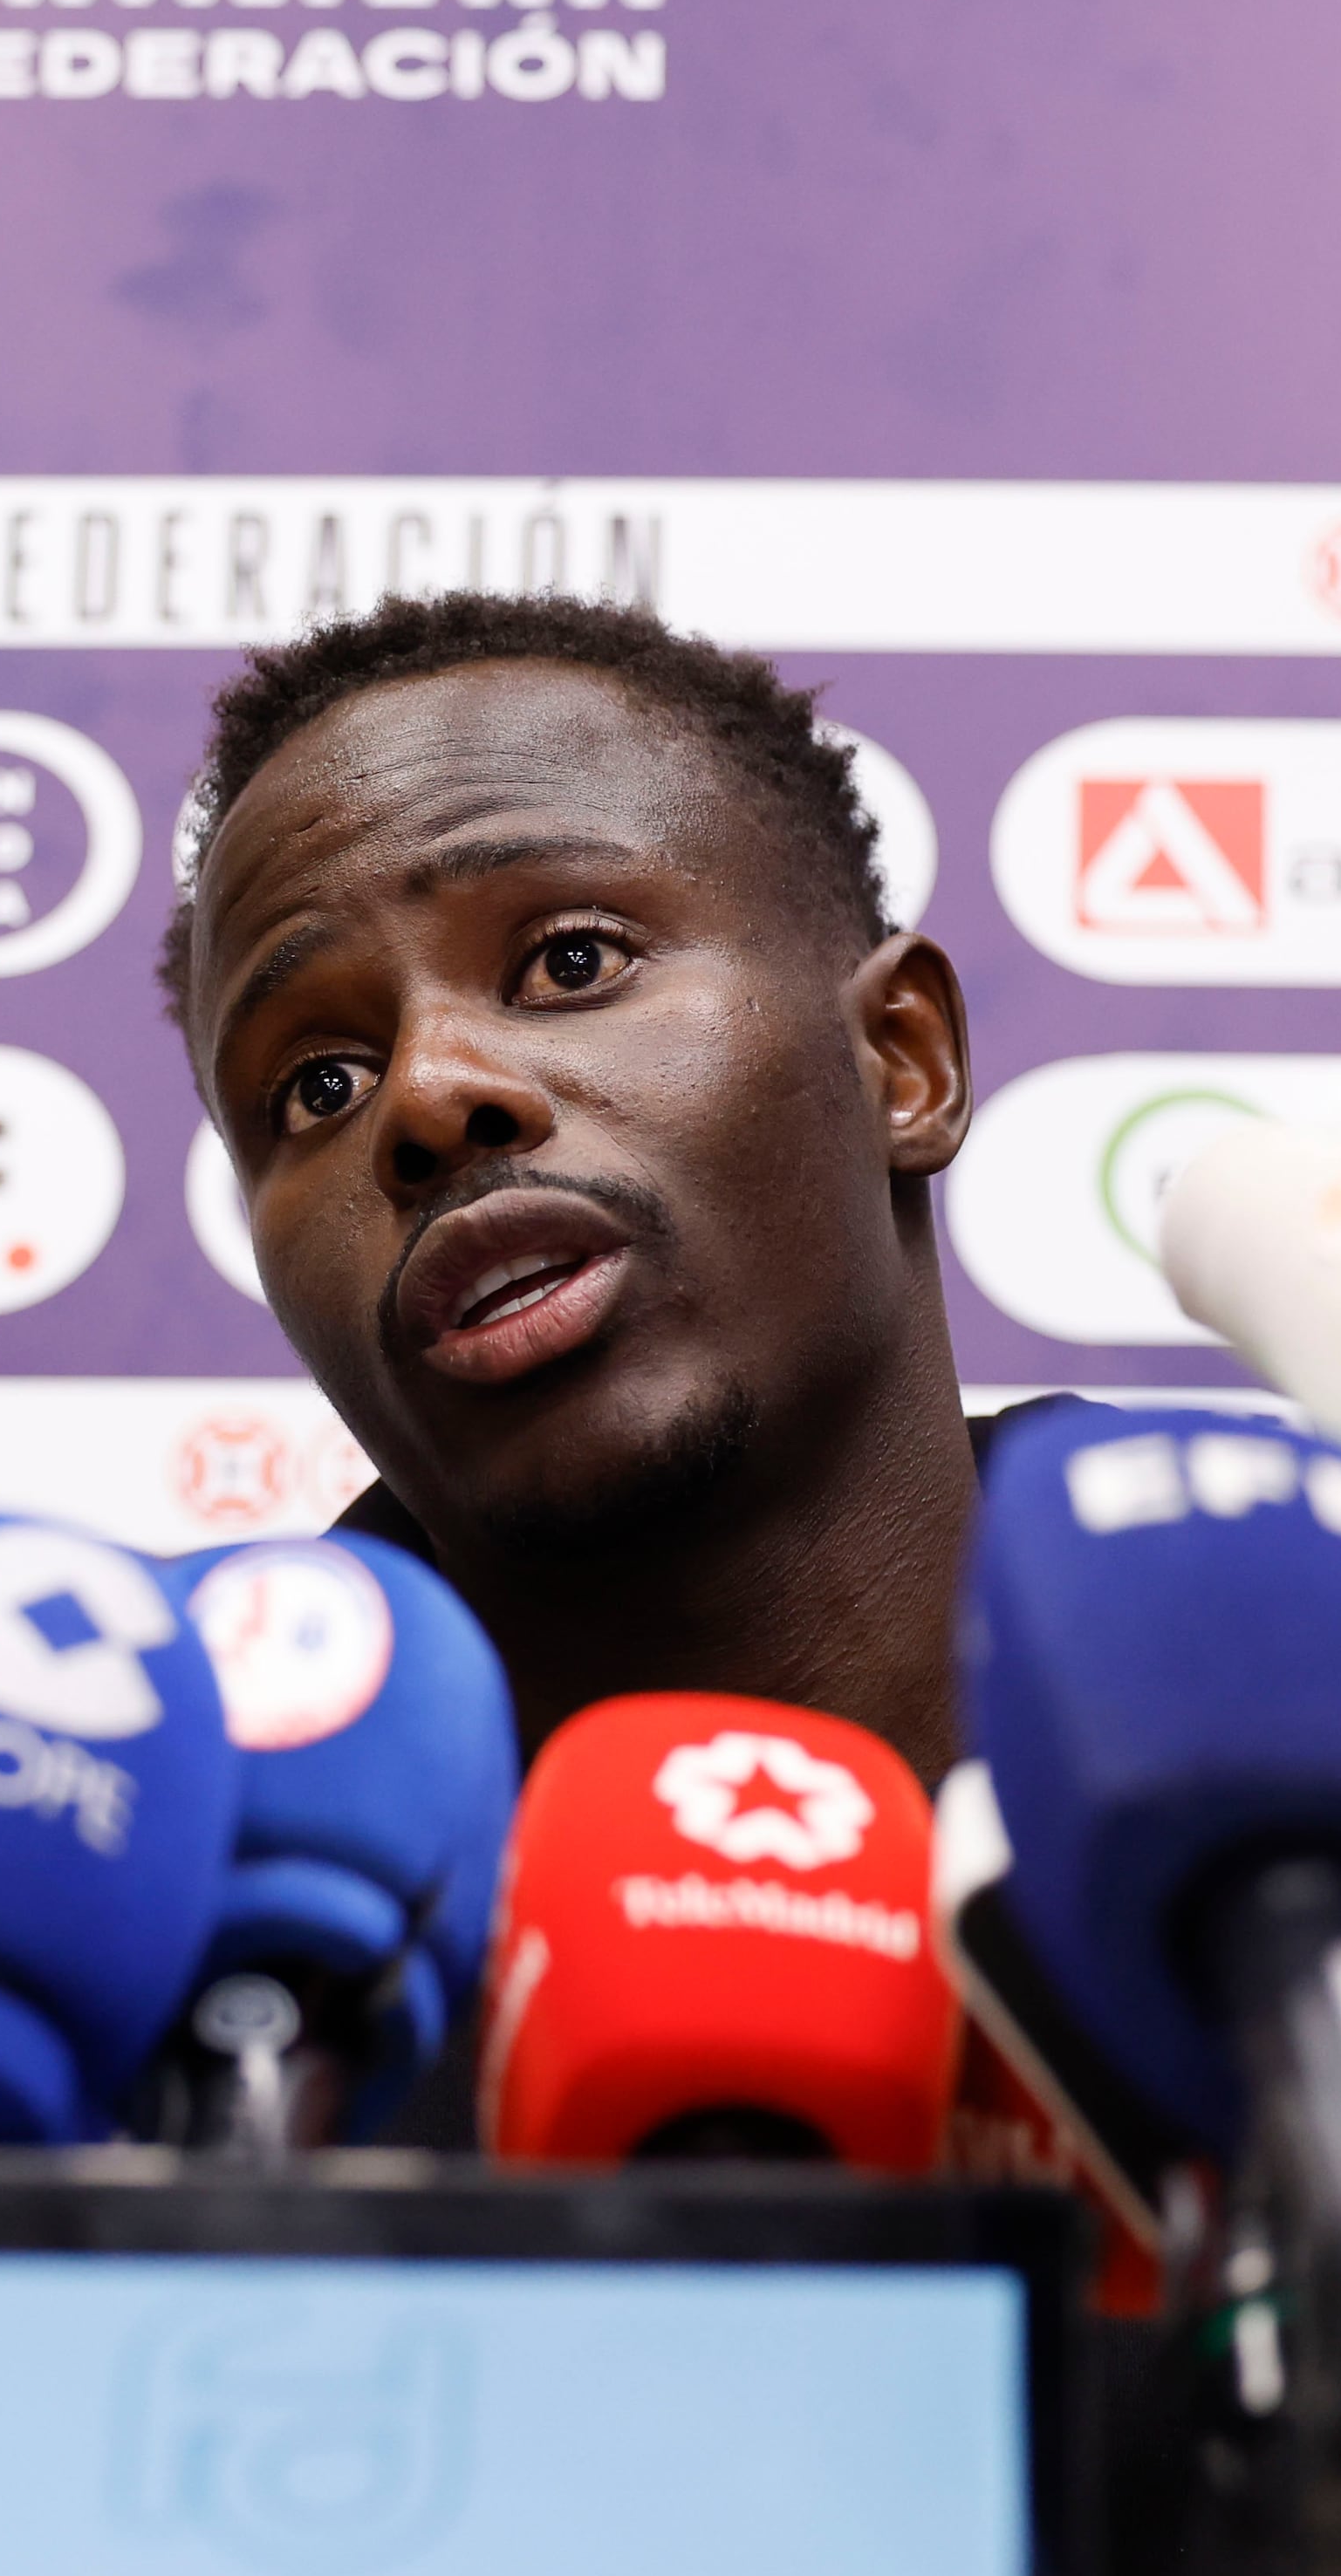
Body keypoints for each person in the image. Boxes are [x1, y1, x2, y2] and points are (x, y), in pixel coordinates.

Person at [168, 591, 1009, 1791]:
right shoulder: (192, 1925)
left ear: (904, 1061)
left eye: (572, 960)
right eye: (320, 1085)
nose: (427, 1094)